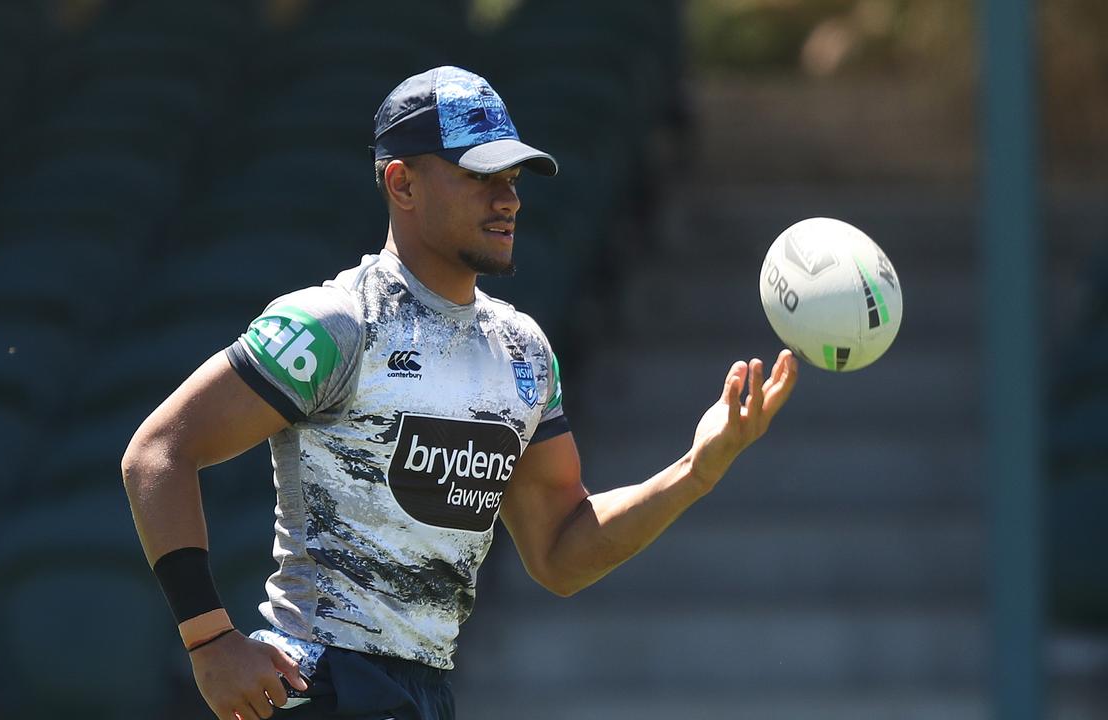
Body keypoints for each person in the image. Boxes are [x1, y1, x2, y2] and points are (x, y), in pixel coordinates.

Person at [122, 65, 797, 720]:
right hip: (321, 682)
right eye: (481, 176)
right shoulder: (334, 324)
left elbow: (560, 553)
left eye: (513, 177)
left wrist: (695, 470)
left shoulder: (523, 351)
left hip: (426, 694)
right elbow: (158, 453)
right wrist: (209, 640)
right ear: (402, 183)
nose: (509, 198)